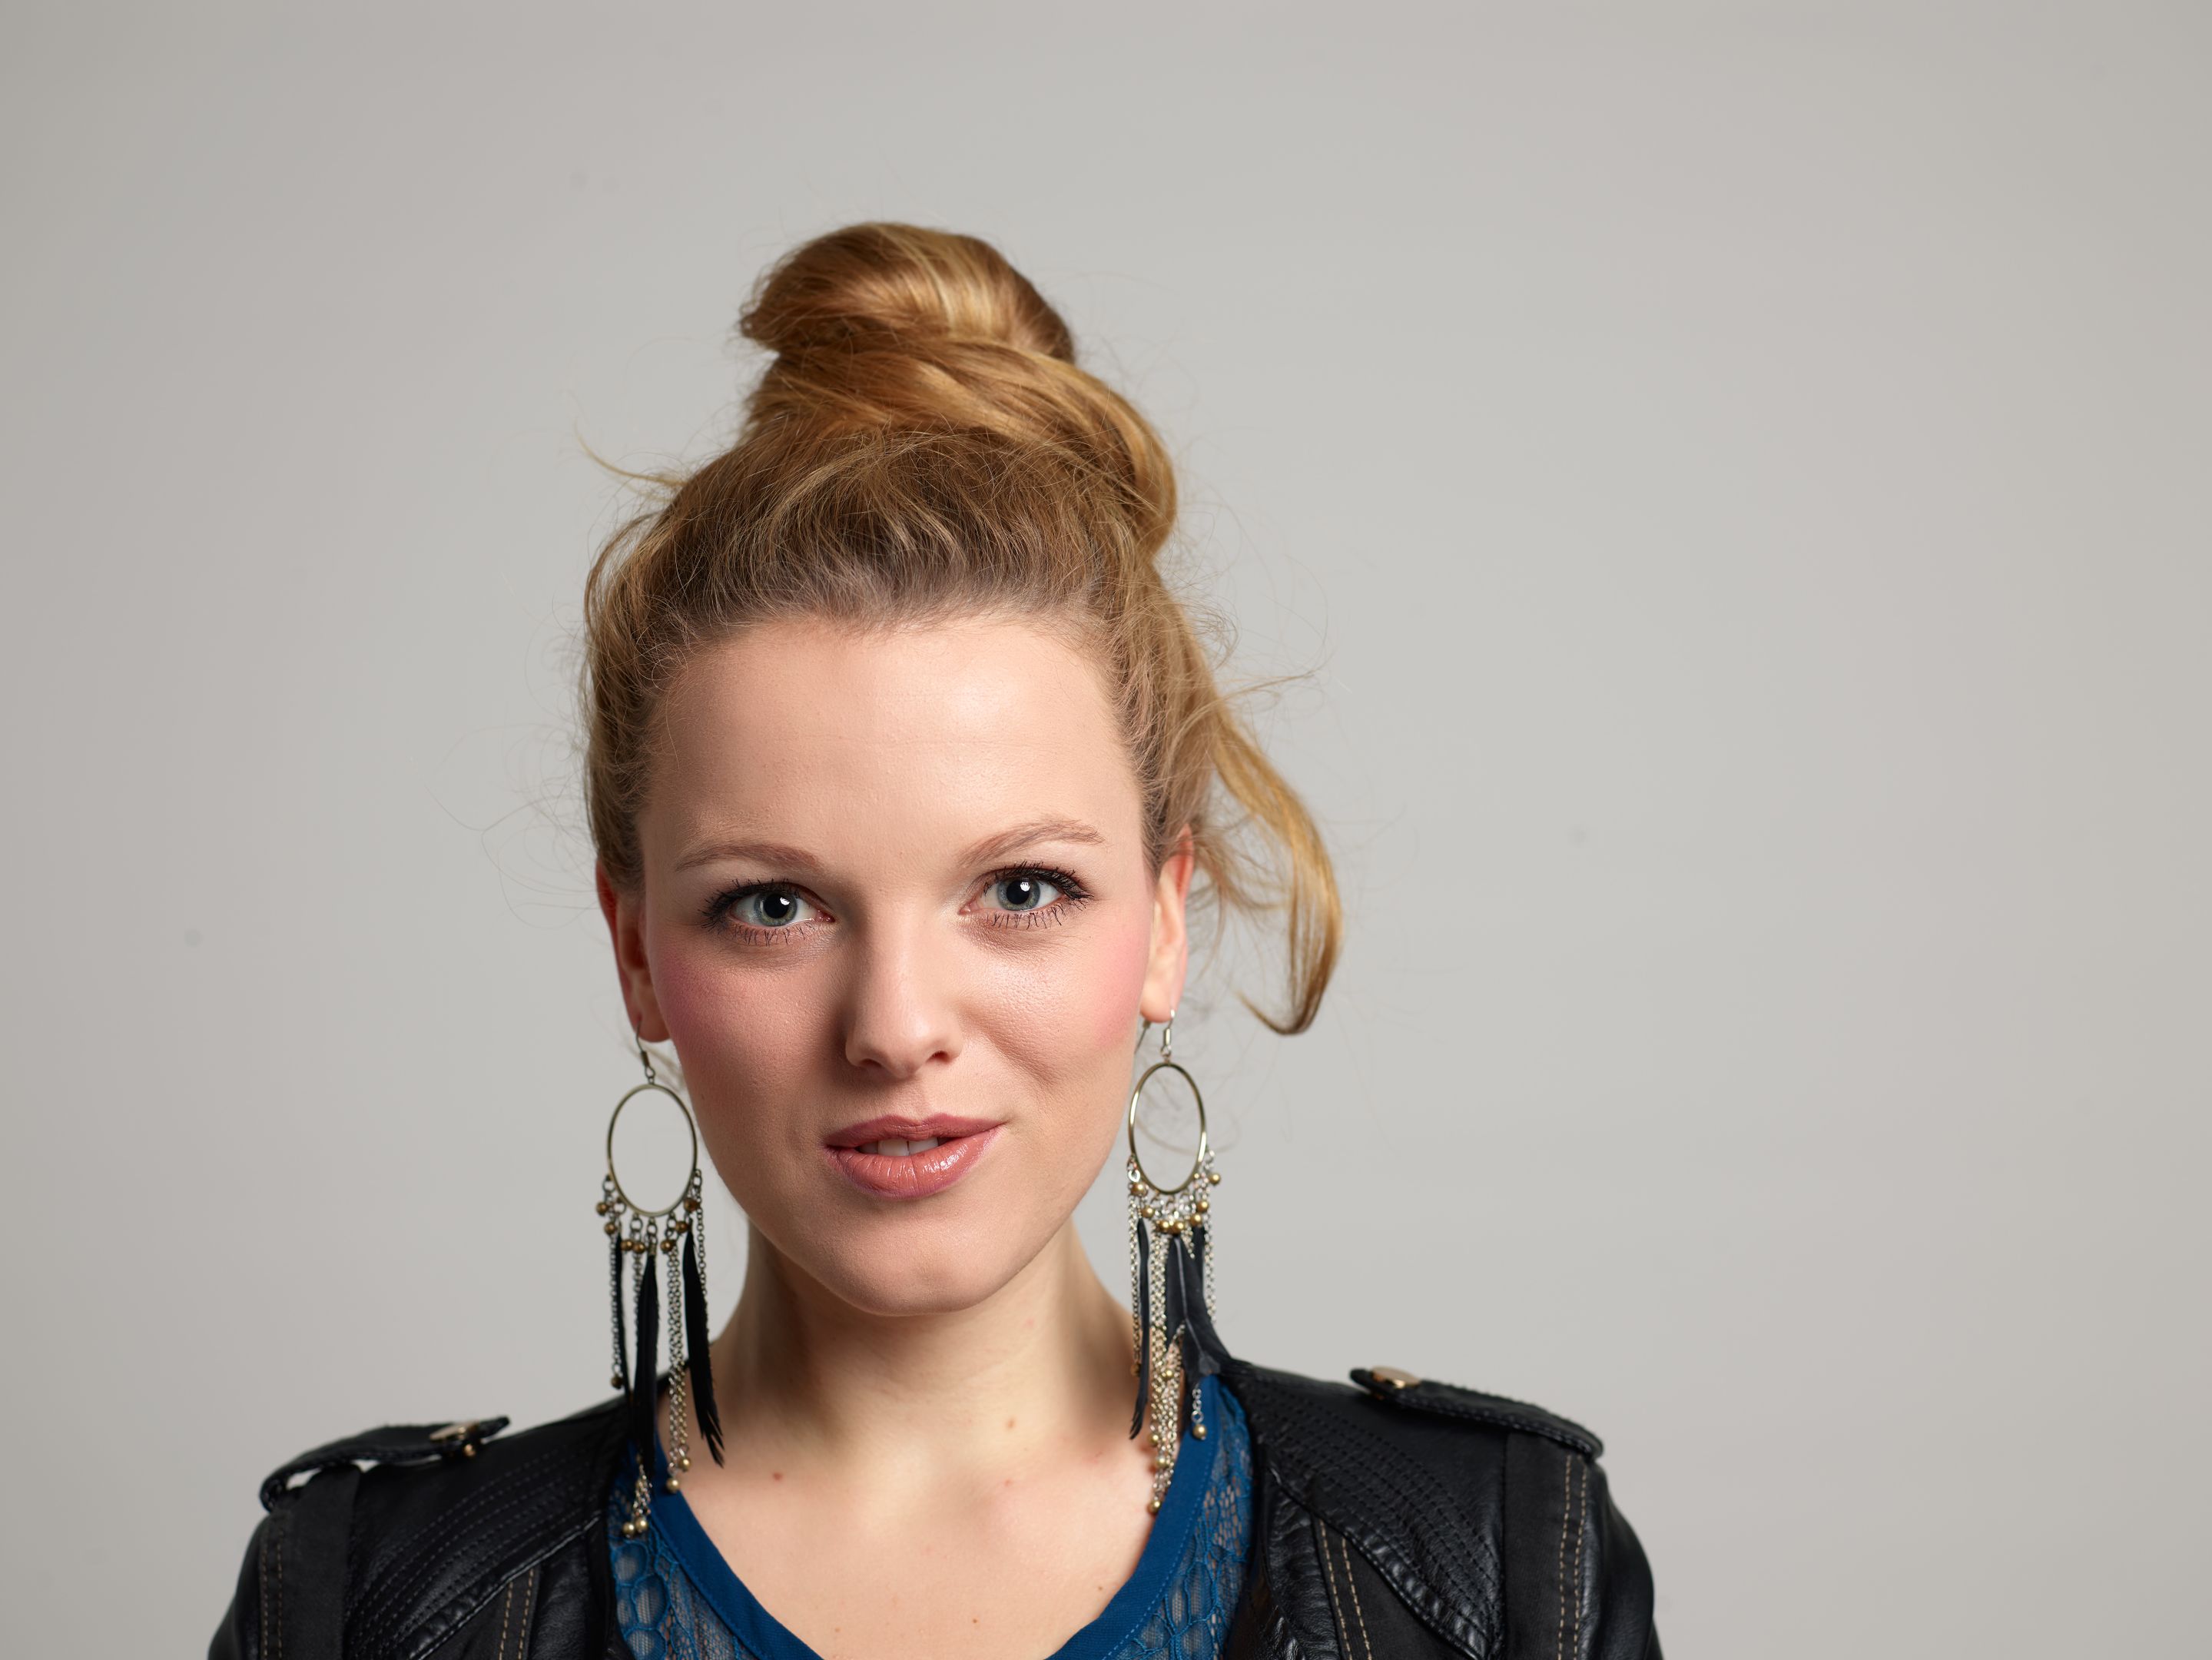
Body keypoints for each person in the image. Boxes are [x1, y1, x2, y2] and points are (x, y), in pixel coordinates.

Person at [209, 222, 1659, 1660]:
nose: (896, 1028)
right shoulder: (361, 1609)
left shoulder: (1502, 1574)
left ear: (1165, 917)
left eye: (1020, 890)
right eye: (775, 906)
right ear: (636, 949)